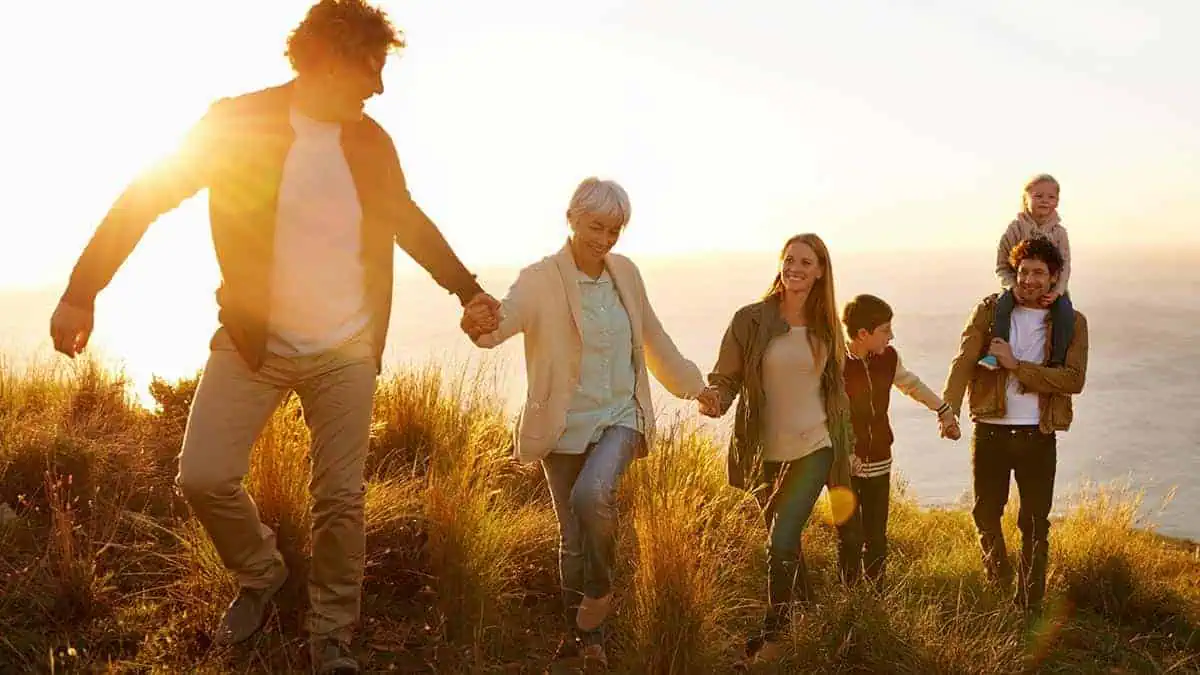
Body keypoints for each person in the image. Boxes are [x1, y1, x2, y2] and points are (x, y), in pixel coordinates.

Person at [47, 2, 500, 672]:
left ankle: (331, 635)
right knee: (202, 475)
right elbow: (143, 197)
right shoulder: (237, 123)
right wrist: (81, 290)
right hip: (255, 338)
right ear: (326, 61)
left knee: (340, 499)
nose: (379, 88)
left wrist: (467, 289)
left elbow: (406, 219)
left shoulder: (370, 142)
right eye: (369, 71)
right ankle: (263, 571)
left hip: (346, 348)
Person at [460, 177, 707, 668]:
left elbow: (654, 338)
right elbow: (498, 328)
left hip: (621, 415)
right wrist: (477, 323)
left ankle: (599, 591)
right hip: (562, 425)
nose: (606, 238)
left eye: (616, 230)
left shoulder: (626, 274)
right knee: (572, 537)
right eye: (597, 226)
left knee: (592, 495)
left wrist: (697, 388)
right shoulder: (539, 279)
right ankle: (586, 638)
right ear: (571, 219)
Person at [698, 233, 856, 667]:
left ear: (821, 270)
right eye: (789, 260)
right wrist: (714, 399)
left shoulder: (827, 326)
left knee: (782, 539)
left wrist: (848, 447)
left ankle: (772, 641)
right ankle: (806, 620)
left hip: (816, 445)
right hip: (764, 451)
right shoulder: (751, 320)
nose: (796, 268)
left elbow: (836, 393)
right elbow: (726, 377)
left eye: (806, 262)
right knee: (786, 547)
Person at [941, 237, 1089, 612]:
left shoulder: (1073, 322)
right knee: (985, 513)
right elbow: (963, 360)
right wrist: (949, 409)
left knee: (1035, 522)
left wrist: (1015, 366)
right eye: (1024, 271)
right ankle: (999, 582)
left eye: (1039, 272)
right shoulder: (990, 312)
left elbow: (1073, 380)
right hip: (990, 429)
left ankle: (1029, 602)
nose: (1029, 279)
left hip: (1037, 433)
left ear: (1054, 277)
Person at [838, 294, 959, 586]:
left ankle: (875, 596)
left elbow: (911, 384)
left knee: (877, 536)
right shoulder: (836, 362)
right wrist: (846, 451)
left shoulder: (888, 358)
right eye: (885, 330)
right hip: (843, 464)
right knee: (849, 537)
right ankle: (849, 600)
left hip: (880, 457)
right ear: (864, 334)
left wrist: (943, 410)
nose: (891, 336)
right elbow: (830, 413)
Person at [980, 173, 1074, 370]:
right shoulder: (1014, 229)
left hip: (1052, 288)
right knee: (1002, 306)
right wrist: (1012, 287)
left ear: (1057, 201)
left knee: (1065, 312)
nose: (1045, 201)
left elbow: (1065, 266)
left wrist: (1057, 292)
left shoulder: (1059, 233)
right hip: (1018, 286)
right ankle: (995, 354)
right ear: (1026, 199)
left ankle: (1057, 360)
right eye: (1038, 196)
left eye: (1051, 197)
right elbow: (1001, 265)